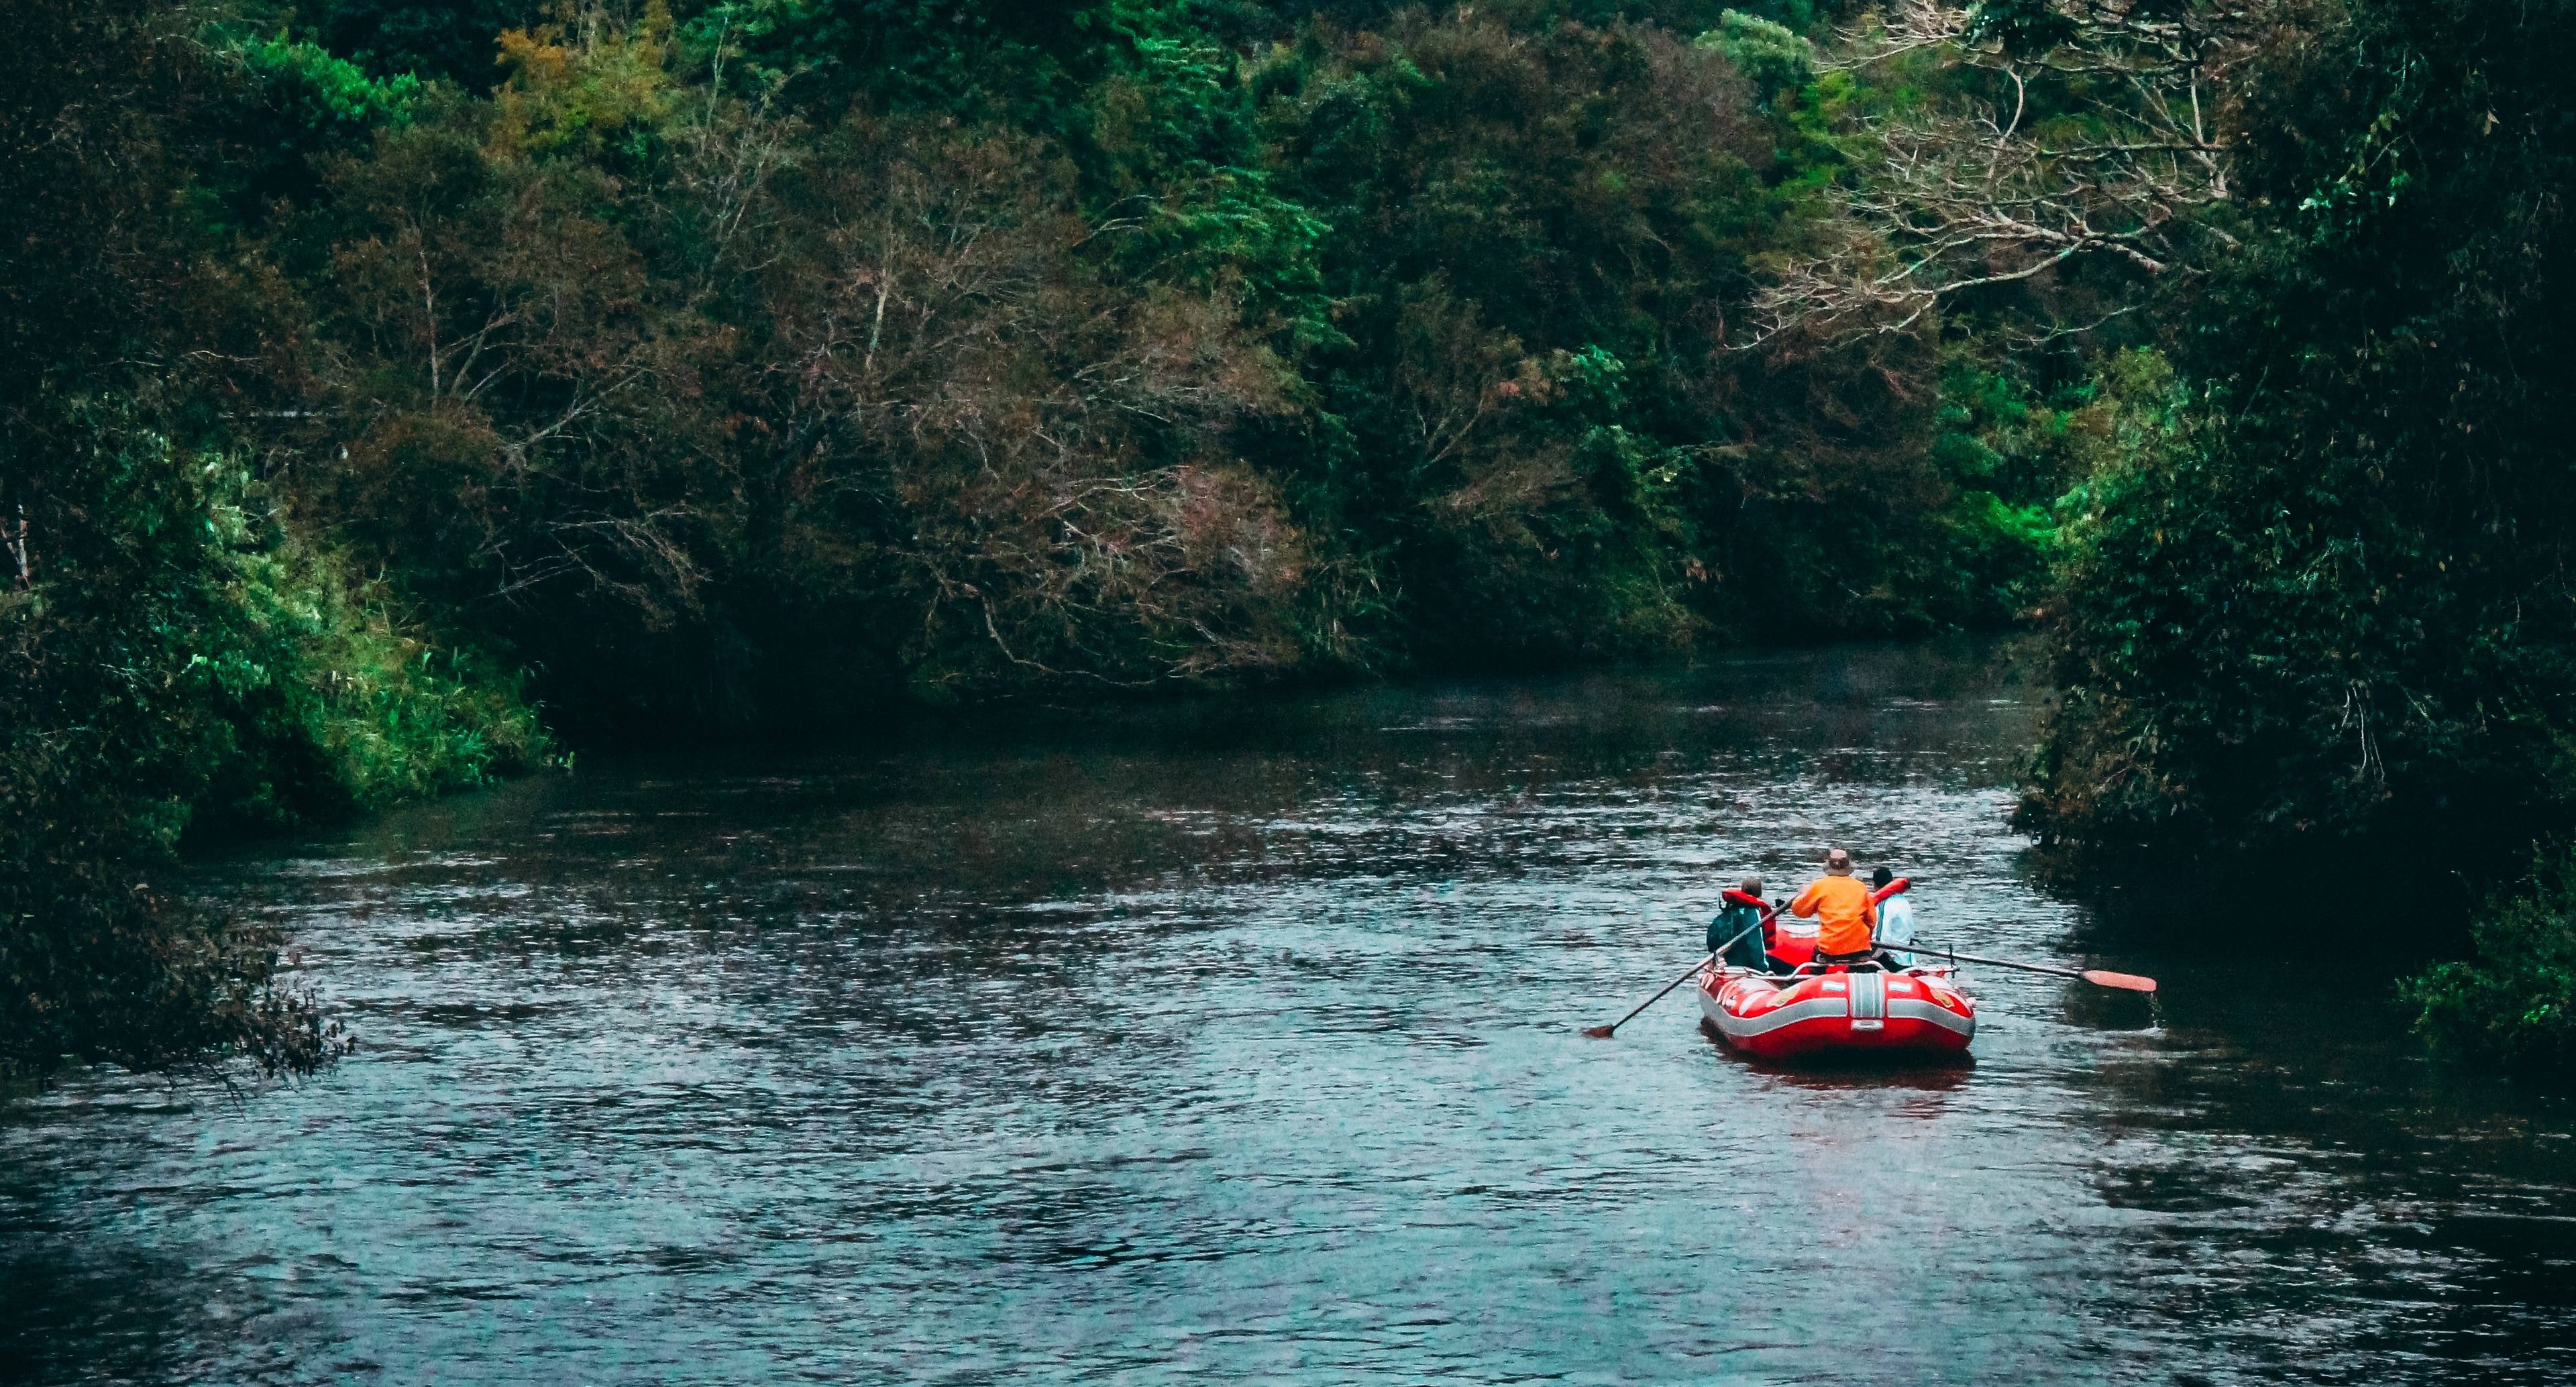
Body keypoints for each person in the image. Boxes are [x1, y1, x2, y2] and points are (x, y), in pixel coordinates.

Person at [1790, 848, 1878, 969]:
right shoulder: (1860, 887)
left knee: (1816, 962)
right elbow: (1872, 920)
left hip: (1829, 948)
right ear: (1848, 865)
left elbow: (1800, 912)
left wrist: (1803, 895)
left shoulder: (1819, 885)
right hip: (1859, 948)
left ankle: (1814, 980)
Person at [1707, 875, 1778, 972]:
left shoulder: (1731, 908)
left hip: (1730, 960)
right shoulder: (1753, 912)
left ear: (1742, 891)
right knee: (1787, 967)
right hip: (1745, 963)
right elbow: (1756, 944)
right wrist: (1764, 970)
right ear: (1759, 894)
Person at [1872, 865, 1917, 968]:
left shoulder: (1884, 905)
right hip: (1909, 959)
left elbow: (1881, 941)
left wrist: (1868, 957)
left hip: (1894, 961)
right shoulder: (1903, 901)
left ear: (1875, 885)